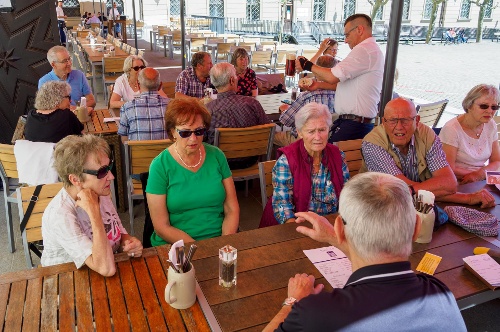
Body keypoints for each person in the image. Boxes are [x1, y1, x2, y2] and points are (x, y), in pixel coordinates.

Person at [263, 172, 467, 331]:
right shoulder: (440, 293)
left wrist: (291, 302)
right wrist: (332, 236)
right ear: (416, 228)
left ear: (340, 230)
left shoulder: (315, 314)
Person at [361, 97, 495, 208]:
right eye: (392, 120)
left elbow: (449, 183)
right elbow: (400, 191)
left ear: (417, 121)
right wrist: (466, 198)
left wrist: (413, 190)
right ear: (383, 122)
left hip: (417, 206)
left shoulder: (426, 135)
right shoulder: (373, 144)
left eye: (406, 120)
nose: (399, 126)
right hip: (379, 208)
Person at [41, 135, 143, 276]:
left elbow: (118, 233)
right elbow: (106, 269)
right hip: (68, 280)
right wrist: (94, 212)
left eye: (109, 167)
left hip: (99, 272)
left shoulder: (100, 191)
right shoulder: (60, 214)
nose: (111, 177)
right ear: (75, 179)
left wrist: (128, 242)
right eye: (102, 172)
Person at [146, 98, 239, 245]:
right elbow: (161, 227)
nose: (193, 138)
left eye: (199, 131)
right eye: (185, 133)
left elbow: (231, 208)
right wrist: (198, 249)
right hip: (176, 244)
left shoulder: (217, 156)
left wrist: (224, 243)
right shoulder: (160, 165)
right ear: (173, 132)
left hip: (219, 238)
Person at [296, 13, 383, 142]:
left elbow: (332, 76)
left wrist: (307, 64)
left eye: (347, 35)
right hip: (355, 123)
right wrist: (318, 85)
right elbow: (342, 83)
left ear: (359, 30)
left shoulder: (364, 50)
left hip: (354, 124)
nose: (345, 40)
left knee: (325, 156)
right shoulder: (370, 50)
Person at [261, 102, 349, 227]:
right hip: (298, 225)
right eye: (311, 131)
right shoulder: (286, 161)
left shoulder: (338, 155)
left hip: (332, 224)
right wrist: (297, 232)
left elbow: (346, 193)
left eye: (322, 130)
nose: (317, 137)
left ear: (329, 129)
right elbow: (283, 204)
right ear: (300, 132)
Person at [205, 62, 270, 168]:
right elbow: (267, 130)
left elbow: (202, 139)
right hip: (250, 160)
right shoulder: (252, 103)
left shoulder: (208, 110)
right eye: (236, 76)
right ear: (231, 80)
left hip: (220, 164)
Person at [439, 84, 500, 184]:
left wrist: (480, 174)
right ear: (469, 105)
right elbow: (447, 167)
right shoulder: (452, 129)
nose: (490, 111)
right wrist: (479, 175)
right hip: (458, 181)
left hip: (481, 177)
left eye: (494, 107)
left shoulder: (490, 124)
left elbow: (496, 161)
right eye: (483, 106)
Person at [274, 55, 337, 147]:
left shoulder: (306, 95)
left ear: (316, 72)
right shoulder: (341, 94)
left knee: (273, 135)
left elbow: (286, 121)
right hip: (329, 140)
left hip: (304, 142)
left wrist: (284, 110)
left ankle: (280, 161)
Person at [118, 68, 171, 142]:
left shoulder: (127, 107)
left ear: (138, 85)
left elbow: (124, 140)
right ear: (160, 86)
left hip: (138, 153)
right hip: (167, 153)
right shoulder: (172, 106)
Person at [39, 46, 96, 111]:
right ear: (53, 64)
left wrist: (77, 109)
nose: (69, 63)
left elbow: (92, 101)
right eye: (64, 61)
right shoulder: (44, 82)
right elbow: (45, 110)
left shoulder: (79, 75)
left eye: (69, 59)